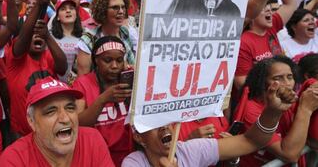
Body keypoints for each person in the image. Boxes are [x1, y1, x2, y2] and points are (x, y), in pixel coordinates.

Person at [122, 77, 299, 167]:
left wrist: (272, 112)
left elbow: (251, 141)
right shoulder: (133, 163)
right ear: (139, 137)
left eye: (166, 119)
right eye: (154, 123)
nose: (164, 127)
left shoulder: (190, 150)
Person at [0, 76, 115, 166]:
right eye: (51, 111)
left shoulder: (92, 140)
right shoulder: (15, 160)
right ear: (31, 121)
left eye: (70, 108)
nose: (65, 118)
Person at [234, 56, 318, 166]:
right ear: (262, 82)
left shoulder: (289, 101)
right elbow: (290, 155)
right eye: (277, 78)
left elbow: (313, 141)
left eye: (290, 77)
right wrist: (305, 109)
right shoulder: (250, 111)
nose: (287, 83)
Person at [5, 0, 68, 136]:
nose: (36, 36)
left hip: (50, 131)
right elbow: (23, 37)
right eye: (32, 34)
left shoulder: (48, 56)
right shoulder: (16, 59)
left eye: (39, 34)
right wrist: (39, 4)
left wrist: (48, 37)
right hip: (22, 133)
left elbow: (63, 67)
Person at [73, 36, 133, 166]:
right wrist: (103, 99)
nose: (114, 66)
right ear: (96, 61)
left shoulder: (130, 79)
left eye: (119, 60)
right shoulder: (82, 84)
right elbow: (76, 123)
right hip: (97, 157)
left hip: (129, 156)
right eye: (108, 60)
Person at [76, 0, 138, 75]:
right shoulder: (88, 41)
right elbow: (82, 80)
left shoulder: (126, 33)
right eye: (115, 7)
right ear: (103, 10)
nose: (121, 11)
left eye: (123, 7)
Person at [50, 0, 84, 83]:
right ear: (57, 17)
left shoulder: (85, 37)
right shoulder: (50, 37)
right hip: (55, 87)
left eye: (71, 8)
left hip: (78, 86)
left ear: (76, 14)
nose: (68, 11)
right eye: (63, 9)